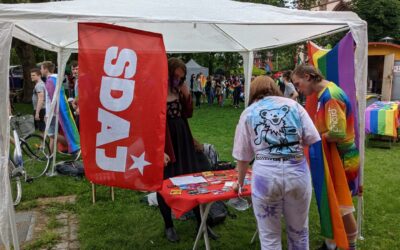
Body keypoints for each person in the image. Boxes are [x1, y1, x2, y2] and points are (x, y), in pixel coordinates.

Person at [232, 75, 320, 250]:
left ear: (253, 91)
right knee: (299, 233)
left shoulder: (249, 112)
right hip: (297, 173)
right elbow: (312, 138)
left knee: (269, 237)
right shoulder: (295, 106)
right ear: (275, 88)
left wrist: (239, 182)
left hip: (265, 176)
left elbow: (242, 156)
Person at [291, 64, 359, 250]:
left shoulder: (331, 96)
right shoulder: (326, 94)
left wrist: (315, 137)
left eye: (298, 84)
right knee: (337, 202)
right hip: (338, 155)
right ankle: (334, 242)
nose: (298, 89)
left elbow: (336, 132)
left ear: (308, 76)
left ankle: (349, 245)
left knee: (342, 205)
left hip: (342, 157)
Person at [158, 58, 218, 243]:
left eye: (181, 78)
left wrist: (186, 95)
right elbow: (150, 124)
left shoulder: (180, 90)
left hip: (183, 139)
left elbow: (188, 114)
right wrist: (159, 150)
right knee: (165, 184)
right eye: (176, 76)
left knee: (193, 181)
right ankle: (169, 225)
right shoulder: (156, 91)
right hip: (166, 143)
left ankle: (202, 223)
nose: (178, 80)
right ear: (167, 73)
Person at [40, 61, 68, 154]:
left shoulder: (50, 80)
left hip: (53, 112)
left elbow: (52, 100)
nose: (40, 70)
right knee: (52, 134)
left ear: (46, 69)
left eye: (41, 68)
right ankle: (50, 155)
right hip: (56, 111)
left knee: (52, 134)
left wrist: (48, 114)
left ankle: (71, 144)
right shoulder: (54, 79)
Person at [30, 68, 46, 132]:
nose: (31, 77)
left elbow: (41, 98)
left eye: (33, 75)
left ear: (39, 75)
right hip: (41, 109)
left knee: (42, 129)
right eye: (31, 75)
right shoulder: (39, 84)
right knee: (42, 129)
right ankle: (44, 142)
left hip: (41, 109)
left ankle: (43, 142)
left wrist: (37, 112)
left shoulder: (39, 85)